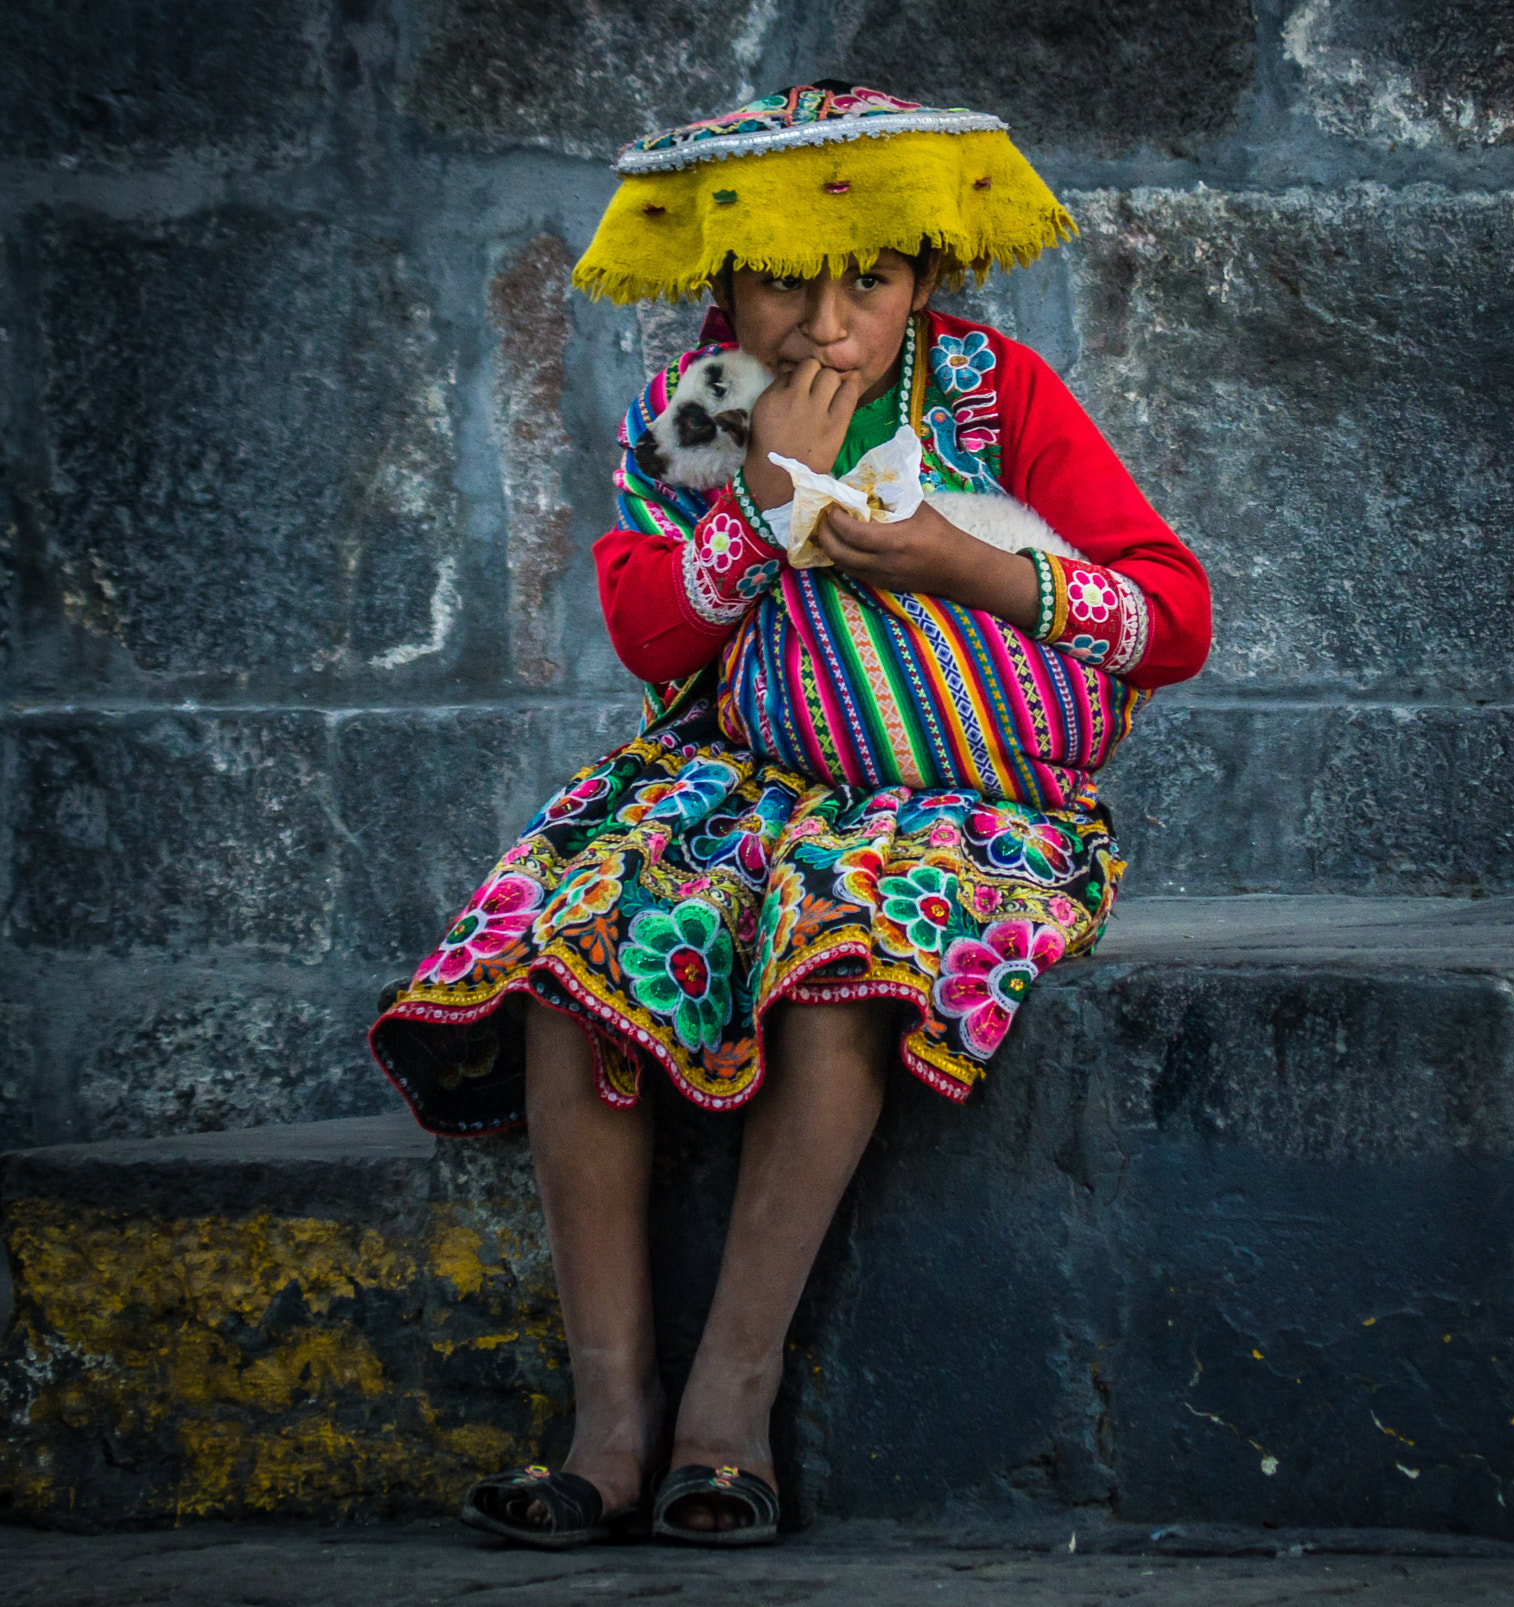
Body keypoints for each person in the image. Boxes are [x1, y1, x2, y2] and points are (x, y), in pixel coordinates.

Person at [369, 81, 1211, 1548]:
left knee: (841, 968)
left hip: (951, 807)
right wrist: (752, 510)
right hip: (734, 782)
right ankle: (608, 1428)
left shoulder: (992, 394)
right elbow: (647, 636)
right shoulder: (712, 408)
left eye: (865, 282)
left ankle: (728, 1418)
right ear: (719, 278)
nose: (819, 327)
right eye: (777, 282)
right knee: (576, 950)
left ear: (926, 279)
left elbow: (1173, 619)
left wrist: (967, 561)